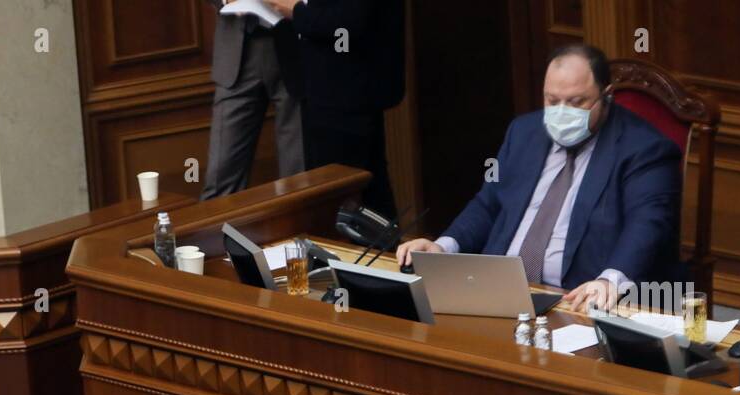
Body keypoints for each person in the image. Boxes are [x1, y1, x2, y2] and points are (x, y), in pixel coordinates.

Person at [397, 44, 683, 313]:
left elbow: (647, 224)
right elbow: (489, 204)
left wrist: (609, 281)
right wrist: (443, 246)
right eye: (552, 100)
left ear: (606, 96)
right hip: (495, 291)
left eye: (576, 102)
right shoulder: (524, 132)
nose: (562, 112)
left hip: (575, 300)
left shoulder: (645, 149)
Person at [264, 0, 406, 219]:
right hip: (324, 88)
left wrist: (296, 11)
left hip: (349, 90)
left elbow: (347, 23)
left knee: (345, 200)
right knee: (366, 195)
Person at [200, 1, 305, 199]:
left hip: (296, 45)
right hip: (236, 50)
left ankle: (299, 229)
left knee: (298, 178)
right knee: (220, 180)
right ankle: (217, 231)